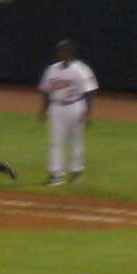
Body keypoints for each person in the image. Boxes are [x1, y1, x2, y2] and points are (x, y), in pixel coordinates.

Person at [39, 39, 98, 186]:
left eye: (63, 50)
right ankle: (56, 174)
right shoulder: (51, 70)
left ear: (70, 52)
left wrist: (88, 112)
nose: (60, 53)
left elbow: (90, 90)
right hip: (57, 107)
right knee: (55, 142)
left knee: (75, 140)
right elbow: (46, 91)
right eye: (59, 51)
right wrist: (44, 109)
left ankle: (76, 172)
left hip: (76, 106)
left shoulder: (81, 69)